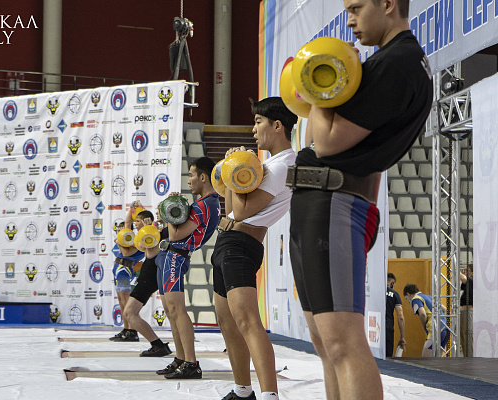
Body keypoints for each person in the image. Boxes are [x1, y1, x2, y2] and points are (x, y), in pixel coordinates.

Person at [287, 0, 433, 399]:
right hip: (320, 202)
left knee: (342, 343)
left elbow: (328, 142)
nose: (349, 19)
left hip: (333, 203)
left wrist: (317, 87)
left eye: (356, 7)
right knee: (324, 340)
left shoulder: (399, 62)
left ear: (387, 4)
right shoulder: (392, 60)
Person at [212, 97, 296, 400]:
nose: (253, 129)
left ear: (277, 126)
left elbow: (245, 212)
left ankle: (270, 395)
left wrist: (235, 169)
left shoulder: (283, 165)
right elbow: (233, 207)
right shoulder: (265, 165)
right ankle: (243, 390)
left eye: (259, 122)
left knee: (248, 322)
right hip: (226, 242)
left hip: (241, 245)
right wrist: (234, 171)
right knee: (227, 322)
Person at [156, 156, 220, 379]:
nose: (189, 180)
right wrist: (173, 211)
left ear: (203, 177)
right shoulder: (207, 203)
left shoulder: (203, 205)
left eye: (191, 175)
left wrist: (170, 211)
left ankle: (191, 363)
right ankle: (181, 359)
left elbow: (174, 234)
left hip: (176, 256)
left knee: (177, 310)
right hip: (173, 256)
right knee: (170, 310)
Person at [122, 203, 173, 357]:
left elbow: (151, 255)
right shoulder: (155, 232)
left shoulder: (160, 232)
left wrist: (149, 234)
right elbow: (127, 247)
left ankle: (157, 345)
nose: (135, 224)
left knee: (130, 313)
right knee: (130, 313)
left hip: (150, 277)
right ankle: (157, 344)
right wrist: (132, 211)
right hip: (147, 276)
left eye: (159, 212)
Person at [109, 213, 145, 342]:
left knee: (126, 301)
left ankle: (132, 330)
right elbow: (128, 221)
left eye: (122, 230)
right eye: (118, 230)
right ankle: (126, 329)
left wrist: (119, 242)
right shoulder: (126, 239)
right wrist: (131, 209)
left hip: (125, 270)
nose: (119, 232)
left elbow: (125, 253)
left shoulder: (136, 241)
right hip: (118, 270)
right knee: (121, 301)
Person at [403, 284, 448, 357]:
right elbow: (445, 309)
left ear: (408, 294)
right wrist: (442, 320)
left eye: (406, 298)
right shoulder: (430, 297)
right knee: (438, 361)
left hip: (435, 330)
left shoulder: (416, 299)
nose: (408, 301)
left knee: (425, 360)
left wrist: (425, 325)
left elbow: (422, 314)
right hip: (445, 330)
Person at [386, 273, 406, 357]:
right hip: (387, 328)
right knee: (387, 358)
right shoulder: (394, 294)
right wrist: (402, 336)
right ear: (392, 283)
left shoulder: (372, 291)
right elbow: (400, 316)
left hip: (372, 328)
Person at [459, 264, 473, 357]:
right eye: (464, 270)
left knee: (468, 336)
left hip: (468, 312)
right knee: (463, 337)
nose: (464, 272)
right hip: (464, 312)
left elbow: (463, 279)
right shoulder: (468, 284)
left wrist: (457, 270)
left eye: (467, 270)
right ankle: (466, 357)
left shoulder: (472, 281)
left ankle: (470, 357)